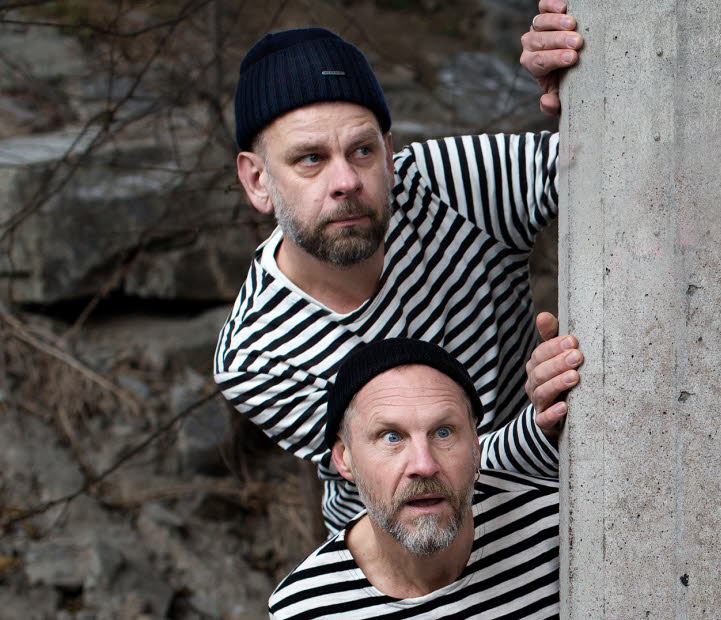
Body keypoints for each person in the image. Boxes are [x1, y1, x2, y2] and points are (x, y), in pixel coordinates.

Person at [213, 2, 587, 531]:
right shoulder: (258, 355)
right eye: (310, 159)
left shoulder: (449, 187)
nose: (346, 181)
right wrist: (540, 422)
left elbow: (615, 158)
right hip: (407, 546)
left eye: (362, 151)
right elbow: (416, 478)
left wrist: (576, 85)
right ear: (257, 181)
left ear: (389, 154)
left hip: (559, 497)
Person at [268, 338, 560, 618]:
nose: (424, 465)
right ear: (344, 458)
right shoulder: (305, 608)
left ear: (475, 443)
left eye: (443, 432)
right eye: (391, 437)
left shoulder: (558, 527)